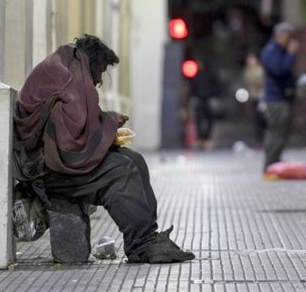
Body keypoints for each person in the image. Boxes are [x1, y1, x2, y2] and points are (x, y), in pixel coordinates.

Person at [12, 35, 195, 263]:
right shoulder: (72, 75)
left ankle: (148, 237)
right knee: (122, 170)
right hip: (44, 170)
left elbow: (73, 129)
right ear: (95, 63)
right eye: (101, 72)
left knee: (135, 160)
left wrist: (106, 125)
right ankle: (142, 245)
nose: (99, 80)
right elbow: (73, 141)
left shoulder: (66, 64)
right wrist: (109, 122)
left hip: (48, 158)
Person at [260, 22, 299, 170]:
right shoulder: (271, 52)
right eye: (287, 37)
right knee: (276, 132)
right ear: (279, 36)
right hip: (275, 100)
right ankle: (270, 164)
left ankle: (274, 162)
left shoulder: (279, 51)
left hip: (282, 99)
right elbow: (279, 69)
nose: (289, 41)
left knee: (281, 132)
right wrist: (291, 54)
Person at [189, 60, 220, 150]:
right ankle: (201, 138)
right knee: (199, 119)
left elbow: (216, 86)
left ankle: (206, 138)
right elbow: (193, 87)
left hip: (207, 99)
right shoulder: (196, 75)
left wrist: (214, 96)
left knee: (209, 120)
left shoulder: (210, 75)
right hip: (200, 99)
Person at [243, 52, 266, 145]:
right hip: (254, 96)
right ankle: (259, 139)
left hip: (261, 96)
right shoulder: (247, 71)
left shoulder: (260, 70)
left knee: (262, 118)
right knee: (257, 118)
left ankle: (263, 138)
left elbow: (262, 81)